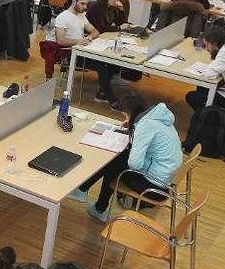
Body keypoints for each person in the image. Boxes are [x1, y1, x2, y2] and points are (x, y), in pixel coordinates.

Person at [70, 94, 182, 222]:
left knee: (113, 165)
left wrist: (136, 132)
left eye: (126, 115)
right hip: (165, 179)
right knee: (118, 160)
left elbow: (135, 164)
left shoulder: (145, 126)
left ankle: (94, 202)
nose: (126, 118)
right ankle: (90, 198)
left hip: (154, 187)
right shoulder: (158, 118)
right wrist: (133, 125)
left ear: (132, 113)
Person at [39, 0, 103, 79]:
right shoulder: (62, 17)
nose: (85, 7)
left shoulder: (81, 16)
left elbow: (95, 31)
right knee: (102, 65)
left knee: (104, 64)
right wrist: (80, 41)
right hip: (69, 53)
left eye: (86, 4)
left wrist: (89, 38)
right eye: (82, 4)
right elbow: (61, 41)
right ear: (74, 2)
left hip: (78, 49)